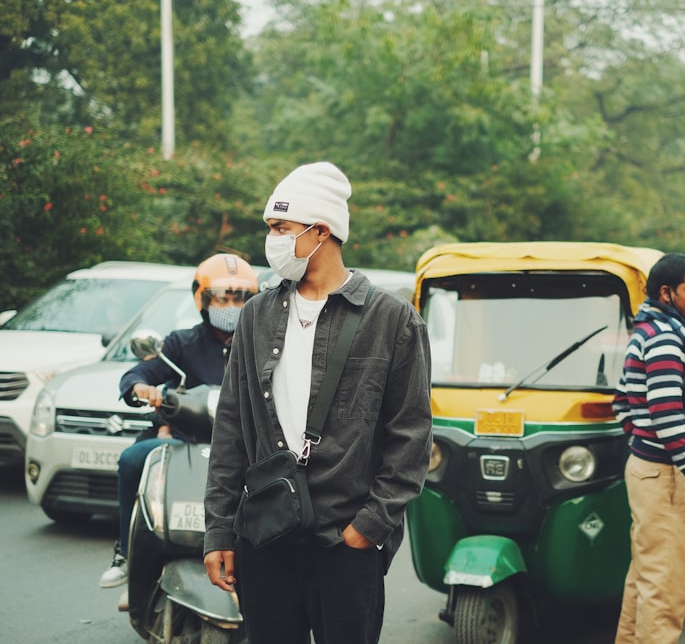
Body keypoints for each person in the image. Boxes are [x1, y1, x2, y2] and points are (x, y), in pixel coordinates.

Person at [202, 161, 433, 644]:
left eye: (281, 228)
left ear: (320, 231)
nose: (273, 240)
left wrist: (367, 529)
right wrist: (220, 532)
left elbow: (410, 438)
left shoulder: (392, 320)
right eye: (271, 228)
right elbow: (230, 429)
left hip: (347, 543)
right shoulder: (255, 316)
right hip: (266, 534)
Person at [97, 254, 259, 606]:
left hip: (242, 446)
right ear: (202, 299)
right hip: (183, 440)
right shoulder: (180, 343)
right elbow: (137, 375)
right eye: (222, 297)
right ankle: (128, 556)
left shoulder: (259, 343)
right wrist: (142, 389)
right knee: (132, 459)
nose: (231, 305)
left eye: (239, 298)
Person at [613, 252, 685, 644]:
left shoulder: (647, 331)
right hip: (667, 476)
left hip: (650, 467)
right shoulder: (667, 338)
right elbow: (666, 413)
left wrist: (640, 443)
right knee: (666, 586)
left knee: (645, 576)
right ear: (666, 292)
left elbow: (623, 401)